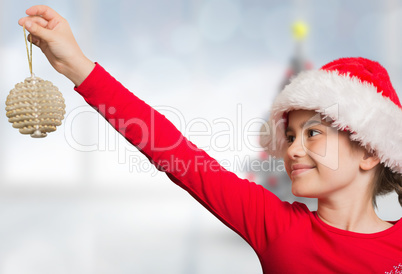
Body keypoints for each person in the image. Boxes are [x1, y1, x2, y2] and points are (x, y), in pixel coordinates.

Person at [19, 5, 402, 273]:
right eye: (289, 135)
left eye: (312, 133)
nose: (292, 149)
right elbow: (169, 148)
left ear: (369, 151)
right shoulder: (277, 228)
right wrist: (76, 64)